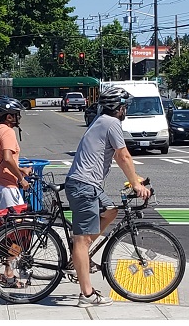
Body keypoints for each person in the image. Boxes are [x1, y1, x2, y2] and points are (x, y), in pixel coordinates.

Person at [64, 87, 151, 307]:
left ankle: (79, 255)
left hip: (87, 184)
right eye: (125, 106)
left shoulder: (101, 120)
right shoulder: (112, 123)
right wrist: (134, 184)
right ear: (119, 107)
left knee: (111, 211)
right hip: (84, 186)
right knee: (82, 240)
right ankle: (87, 294)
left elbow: (118, 158)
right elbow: (123, 156)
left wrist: (136, 178)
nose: (126, 110)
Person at [0, 97, 32, 288]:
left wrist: (21, 170)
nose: (18, 117)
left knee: (2, 232)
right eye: (16, 114)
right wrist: (21, 179)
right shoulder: (8, 132)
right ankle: (9, 273)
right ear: (9, 116)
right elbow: (6, 158)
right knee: (18, 232)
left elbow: (0, 160)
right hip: (8, 189)